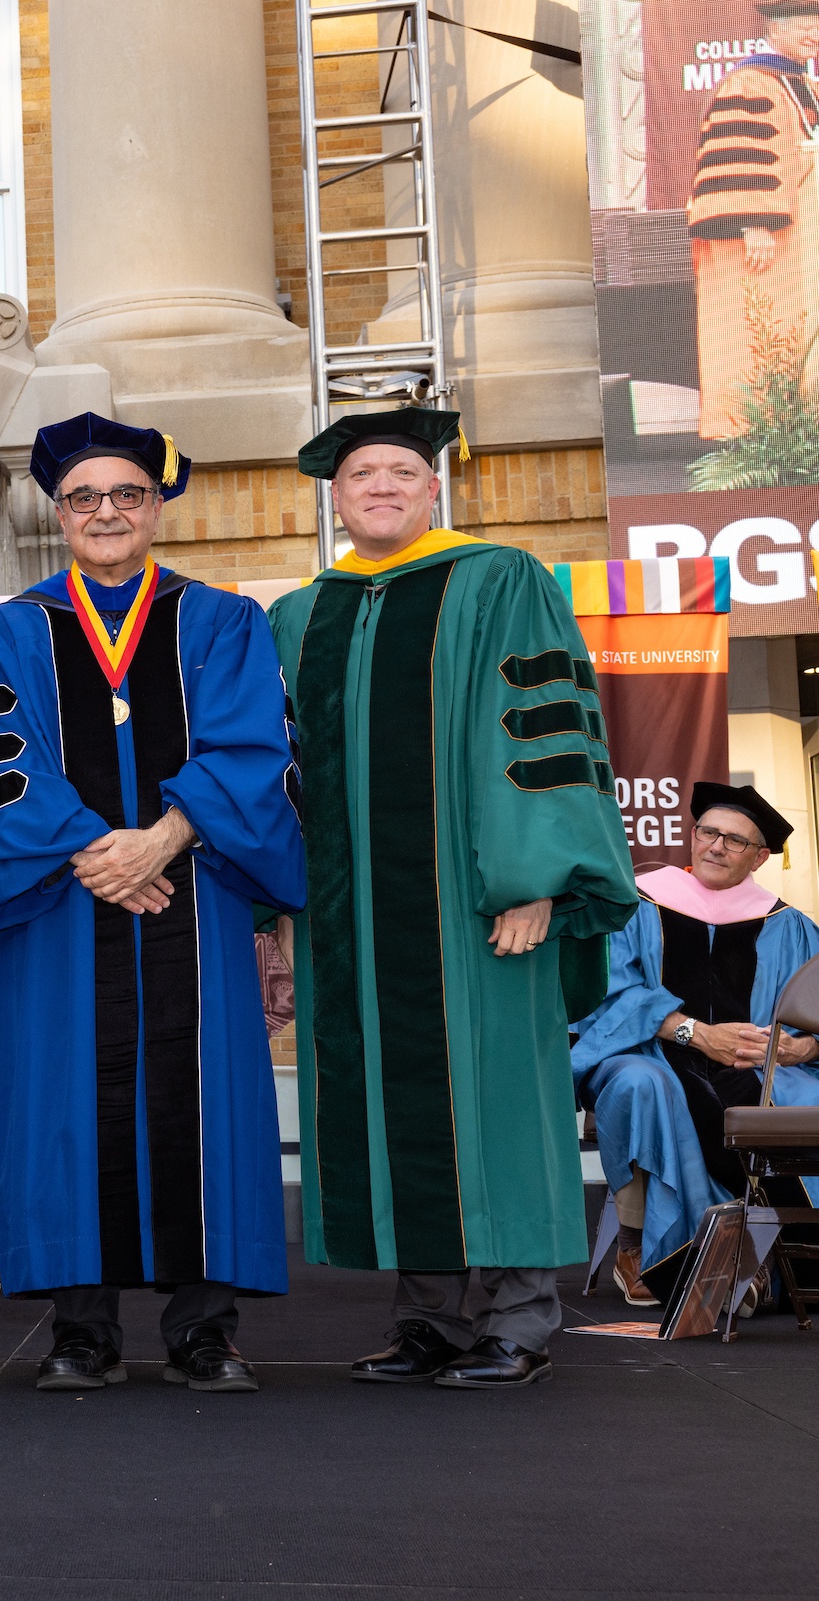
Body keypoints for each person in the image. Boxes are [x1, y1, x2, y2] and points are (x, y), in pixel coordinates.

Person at [268, 407, 636, 1389]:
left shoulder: (497, 579)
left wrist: (536, 882)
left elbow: (537, 729)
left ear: (434, 488)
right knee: (390, 1106)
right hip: (354, 917)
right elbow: (286, 770)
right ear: (335, 496)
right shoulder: (304, 613)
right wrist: (289, 905)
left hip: (479, 907)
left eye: (399, 471)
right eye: (360, 475)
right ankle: (427, 1316)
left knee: (496, 1100)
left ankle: (520, 1313)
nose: (380, 486)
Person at [0, 412, 305, 1395]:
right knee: (62, 1100)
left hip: (196, 889)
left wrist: (164, 836)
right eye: (84, 497)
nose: (106, 512)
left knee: (205, 1101)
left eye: (127, 494)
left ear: (158, 503)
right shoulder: (5, 632)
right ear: (56, 511)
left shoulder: (224, 620)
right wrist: (95, 848)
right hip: (60, 902)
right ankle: (82, 1327)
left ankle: (204, 1327)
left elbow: (252, 749)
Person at [572, 783, 819, 1302]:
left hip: (748, 1063)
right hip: (644, 1050)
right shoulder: (635, 904)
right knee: (645, 1085)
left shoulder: (788, 924)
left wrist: (801, 1049)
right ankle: (649, 1249)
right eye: (708, 832)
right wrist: (694, 1033)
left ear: (760, 857)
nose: (715, 846)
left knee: (796, 1093)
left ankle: (781, 1260)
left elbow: (813, 1022)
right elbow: (606, 991)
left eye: (734, 841)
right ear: (693, 835)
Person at [688, 2, 819, 440]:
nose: (815, 37)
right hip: (765, 239)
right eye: (807, 27)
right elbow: (739, 156)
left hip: (802, 244)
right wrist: (752, 223)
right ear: (777, 27)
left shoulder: (801, 83)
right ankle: (750, 430)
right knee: (755, 330)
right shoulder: (749, 82)